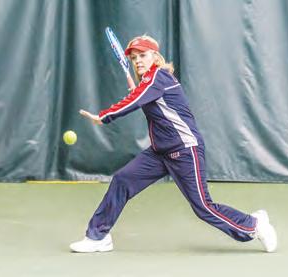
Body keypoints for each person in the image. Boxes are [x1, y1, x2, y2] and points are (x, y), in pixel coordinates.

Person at [71, 35, 277, 253]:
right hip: (159, 152)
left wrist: (104, 116)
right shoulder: (147, 84)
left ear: (155, 57)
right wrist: (139, 93)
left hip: (185, 150)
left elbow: (132, 102)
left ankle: (254, 225)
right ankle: (98, 236)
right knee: (122, 180)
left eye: (143, 55)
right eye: (134, 58)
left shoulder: (159, 77)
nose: (138, 60)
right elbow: (143, 99)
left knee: (203, 207)